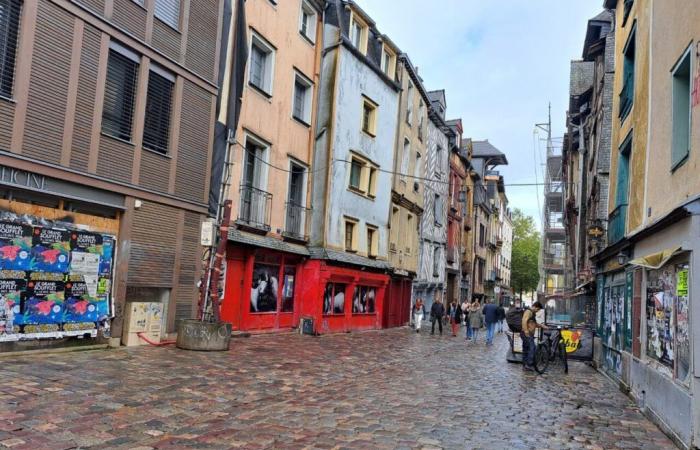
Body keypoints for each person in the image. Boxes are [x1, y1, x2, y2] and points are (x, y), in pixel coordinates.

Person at [521, 301, 546, 371]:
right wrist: (526, 331)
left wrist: (541, 325)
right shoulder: (528, 312)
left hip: (527, 333)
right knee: (532, 348)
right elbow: (524, 320)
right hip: (527, 333)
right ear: (535, 306)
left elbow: (533, 323)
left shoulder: (532, 313)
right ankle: (528, 364)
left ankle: (525, 365)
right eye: (537, 309)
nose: (537, 311)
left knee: (526, 349)